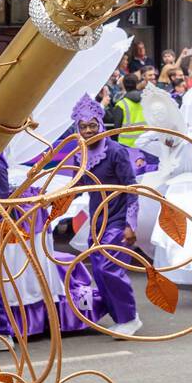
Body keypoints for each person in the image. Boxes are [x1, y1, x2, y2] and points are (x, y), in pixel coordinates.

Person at [67, 94, 142, 336]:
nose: (88, 131)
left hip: (118, 219)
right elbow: (74, 185)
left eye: (92, 126)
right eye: (83, 127)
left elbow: (131, 189)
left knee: (110, 266)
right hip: (97, 220)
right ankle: (121, 316)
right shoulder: (80, 154)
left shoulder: (116, 151)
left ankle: (130, 318)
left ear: (100, 124)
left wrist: (131, 224)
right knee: (99, 269)